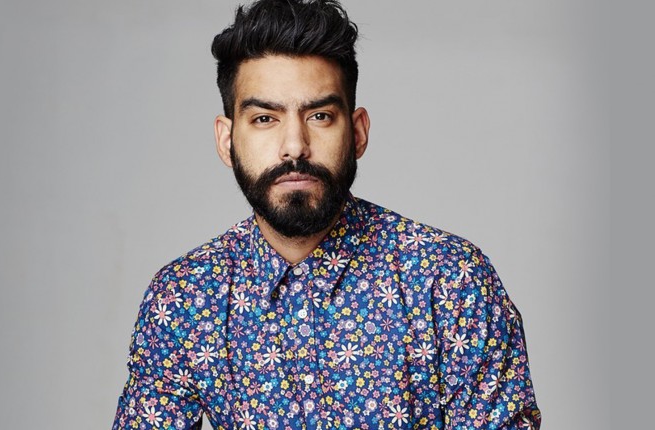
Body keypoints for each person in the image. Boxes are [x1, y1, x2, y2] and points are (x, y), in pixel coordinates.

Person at [112, 0, 541, 428]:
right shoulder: (184, 298)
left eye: (319, 116)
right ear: (227, 141)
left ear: (357, 132)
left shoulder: (450, 281)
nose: (295, 146)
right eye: (264, 118)